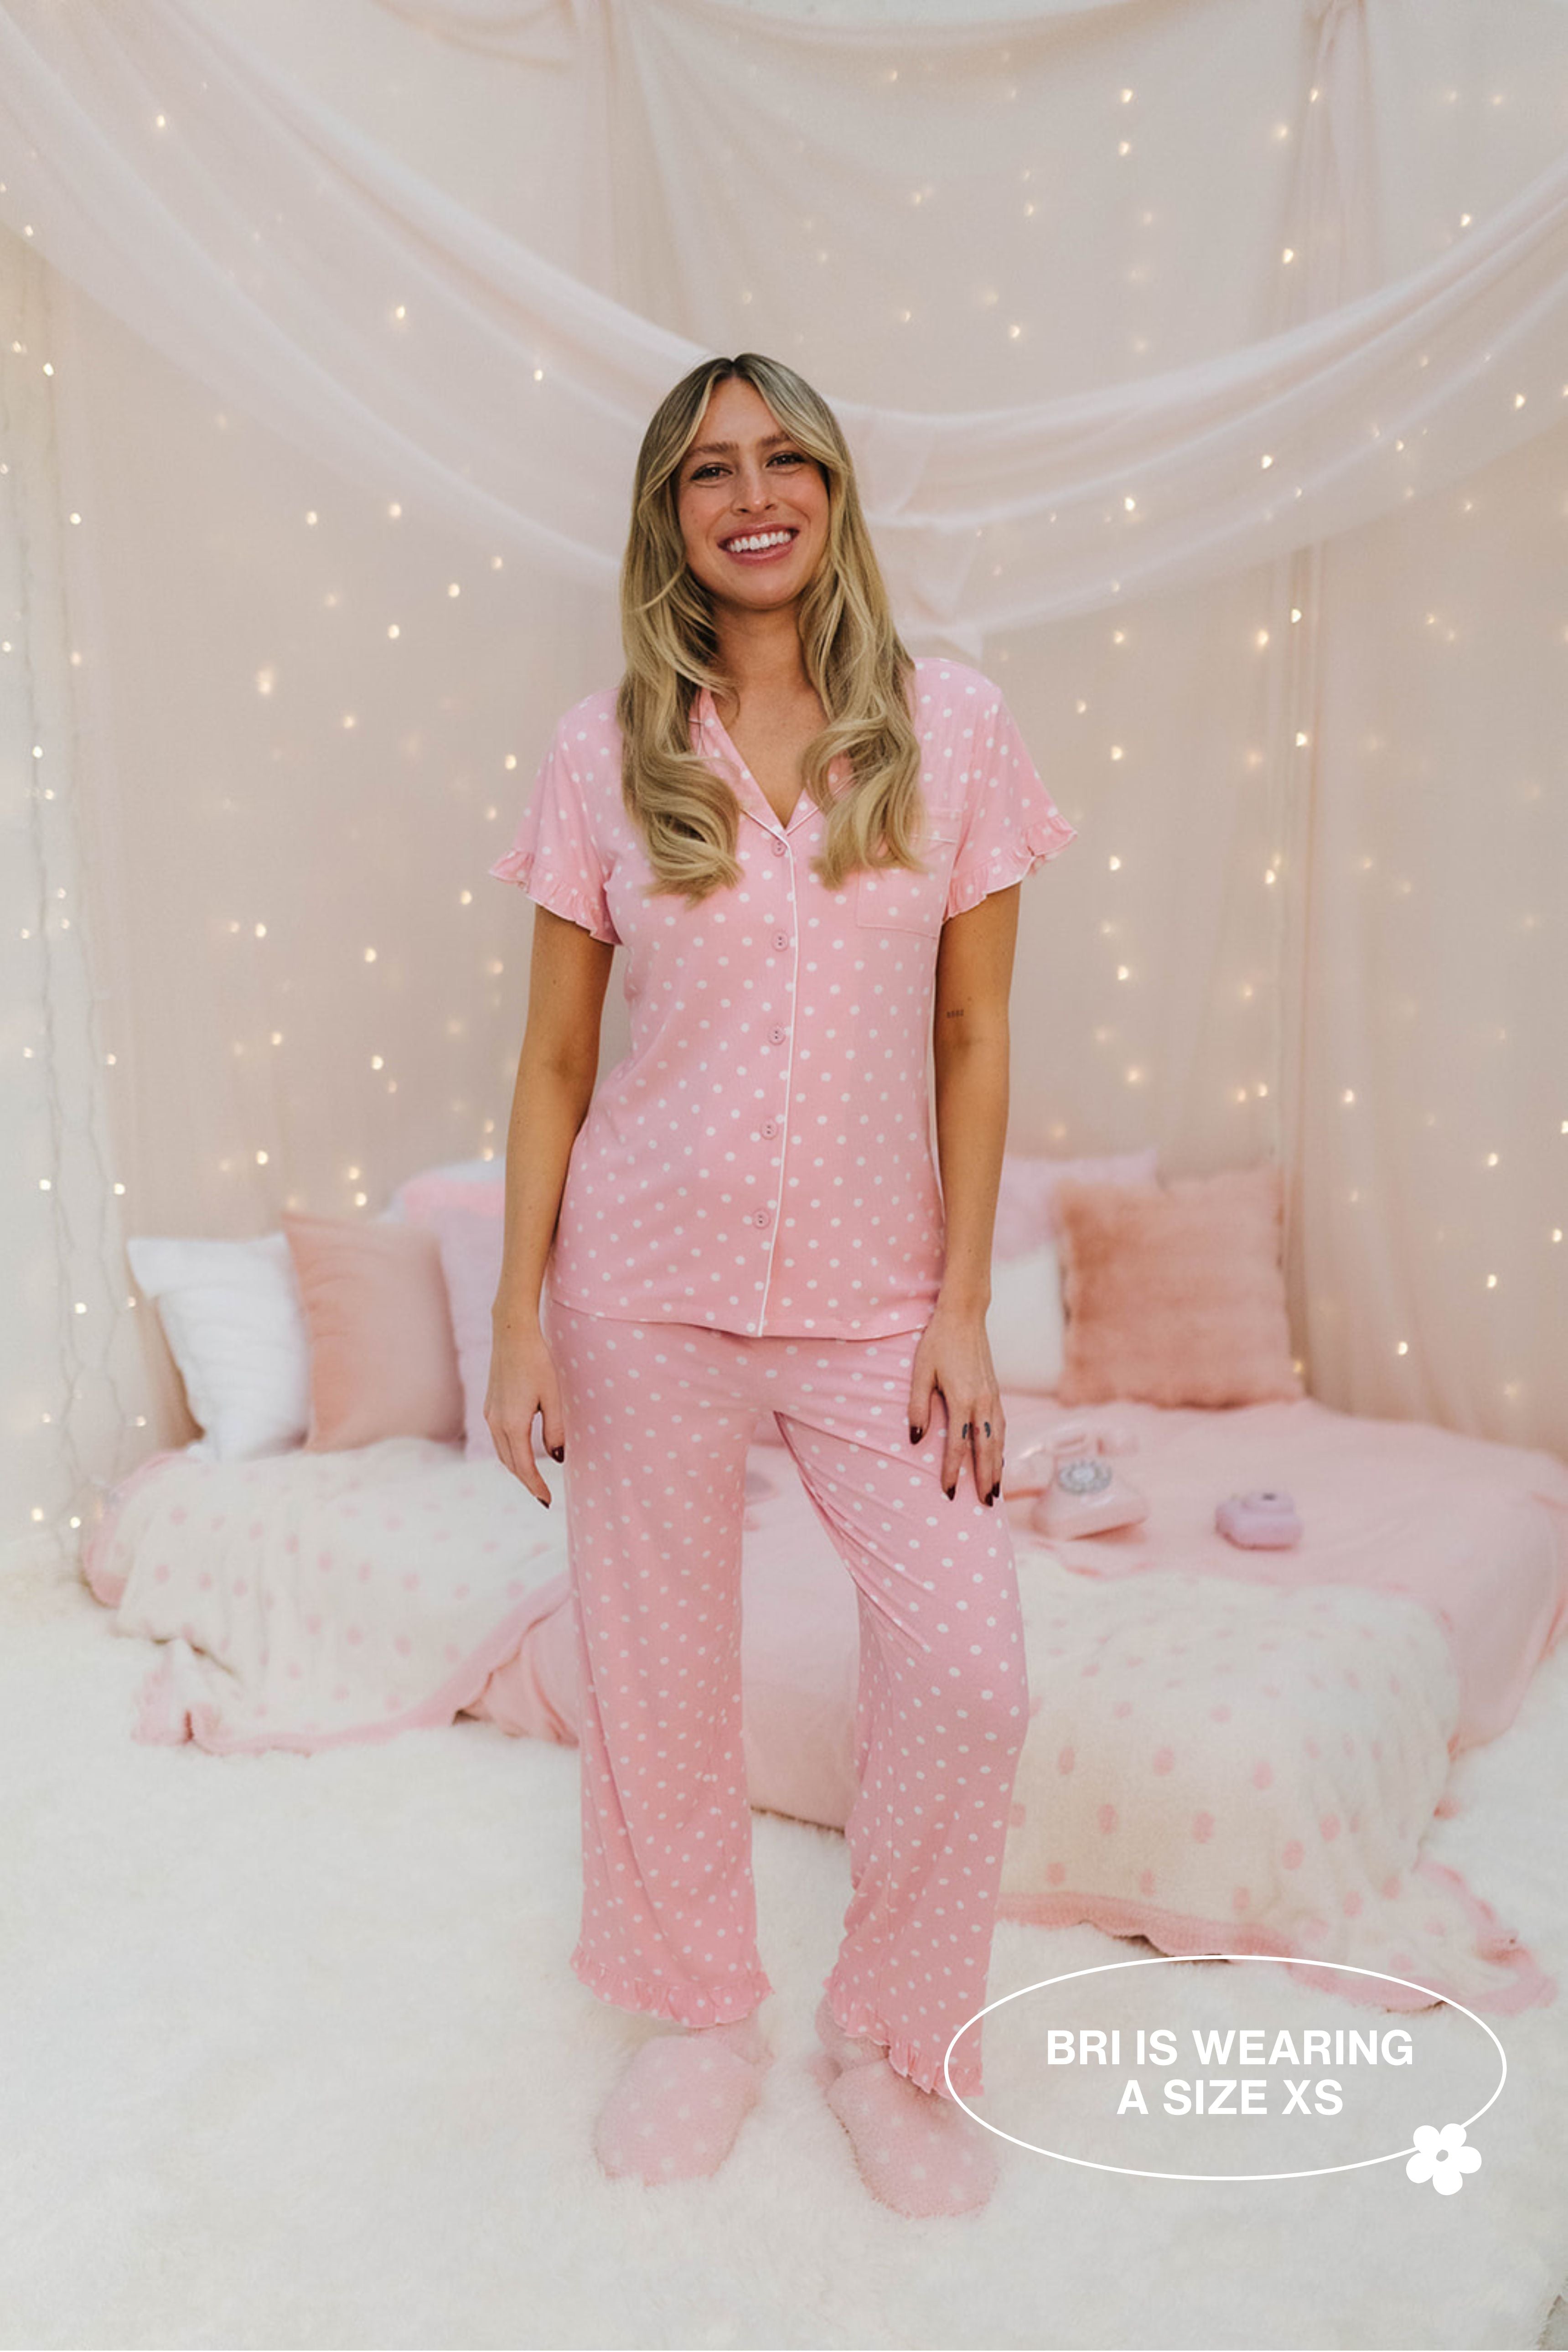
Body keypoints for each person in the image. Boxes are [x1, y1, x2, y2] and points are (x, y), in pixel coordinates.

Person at [484, 353, 1076, 2217]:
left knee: (969, 1669)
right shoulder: (605, 749)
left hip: (874, 1299)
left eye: (785, 460)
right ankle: (693, 2013)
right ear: (668, 516)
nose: (753, 495)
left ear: (830, 489)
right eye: (707, 471)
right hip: (637, 1283)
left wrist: (963, 1300)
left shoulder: (953, 728)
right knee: (656, 1664)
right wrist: (516, 1314)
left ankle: (888, 2035)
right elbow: (556, 1062)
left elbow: (972, 1031)